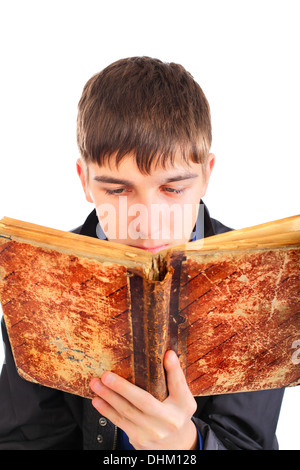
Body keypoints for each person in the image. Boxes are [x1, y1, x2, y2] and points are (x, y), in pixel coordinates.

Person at [0, 57, 284, 450]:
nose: (148, 226)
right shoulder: (35, 280)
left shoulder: (262, 281)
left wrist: (183, 446)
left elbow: (248, 442)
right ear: (85, 181)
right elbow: (28, 441)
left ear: (206, 175)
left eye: (172, 189)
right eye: (117, 190)